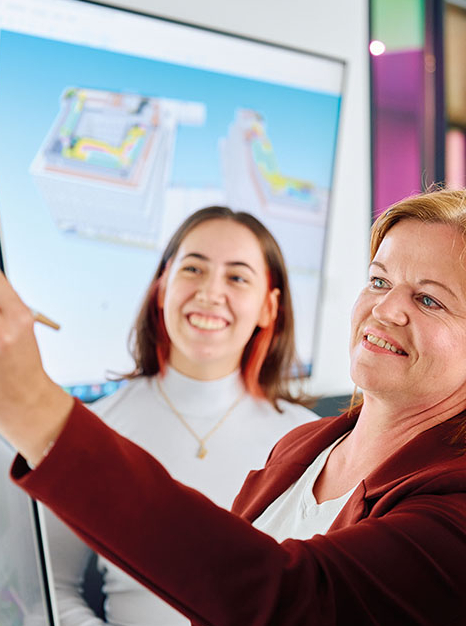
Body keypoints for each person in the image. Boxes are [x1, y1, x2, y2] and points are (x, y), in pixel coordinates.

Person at [0, 188, 466, 625]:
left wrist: (32, 408)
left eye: (429, 299)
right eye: (378, 281)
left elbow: (281, 599)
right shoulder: (306, 447)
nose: (384, 309)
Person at [44, 206, 318, 625]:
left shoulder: (311, 441)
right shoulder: (93, 430)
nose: (210, 292)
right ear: (161, 287)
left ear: (268, 307)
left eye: (237, 277)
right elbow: (53, 588)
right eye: (193, 269)